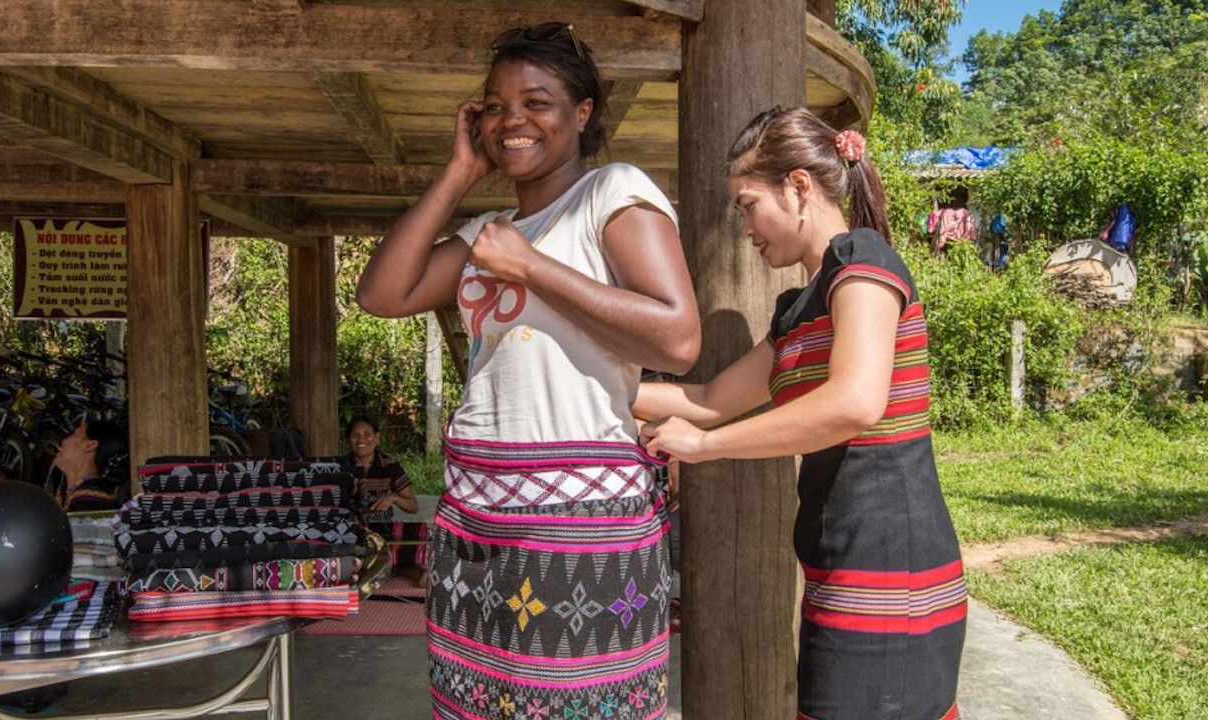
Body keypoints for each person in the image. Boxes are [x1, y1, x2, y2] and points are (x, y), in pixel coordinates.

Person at [356, 20, 700, 720]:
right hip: (476, 520)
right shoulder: (489, 231)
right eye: (496, 103)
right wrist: (459, 173)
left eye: (536, 101)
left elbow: (677, 338)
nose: (512, 118)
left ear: (582, 114)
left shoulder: (610, 193)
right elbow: (381, 294)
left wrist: (531, 268)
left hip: (577, 523)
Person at [634, 107, 967, 720]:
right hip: (838, 566)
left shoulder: (864, 261)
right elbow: (706, 400)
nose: (744, 227)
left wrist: (705, 448)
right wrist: (595, 384)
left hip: (893, 572)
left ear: (799, 187)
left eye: (746, 204)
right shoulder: (797, 307)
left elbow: (854, 402)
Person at [340, 414, 428, 587]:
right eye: (355, 435)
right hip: (349, 531)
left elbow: (413, 506)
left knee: (416, 532)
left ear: (377, 438)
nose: (361, 440)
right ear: (348, 440)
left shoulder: (390, 467)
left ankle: (381, 566)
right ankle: (387, 567)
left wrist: (394, 497)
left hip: (382, 532)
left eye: (367, 434)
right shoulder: (340, 467)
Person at [52, 420, 129, 512]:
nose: (64, 441)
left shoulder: (92, 502)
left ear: (89, 445)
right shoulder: (74, 497)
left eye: (74, 435)